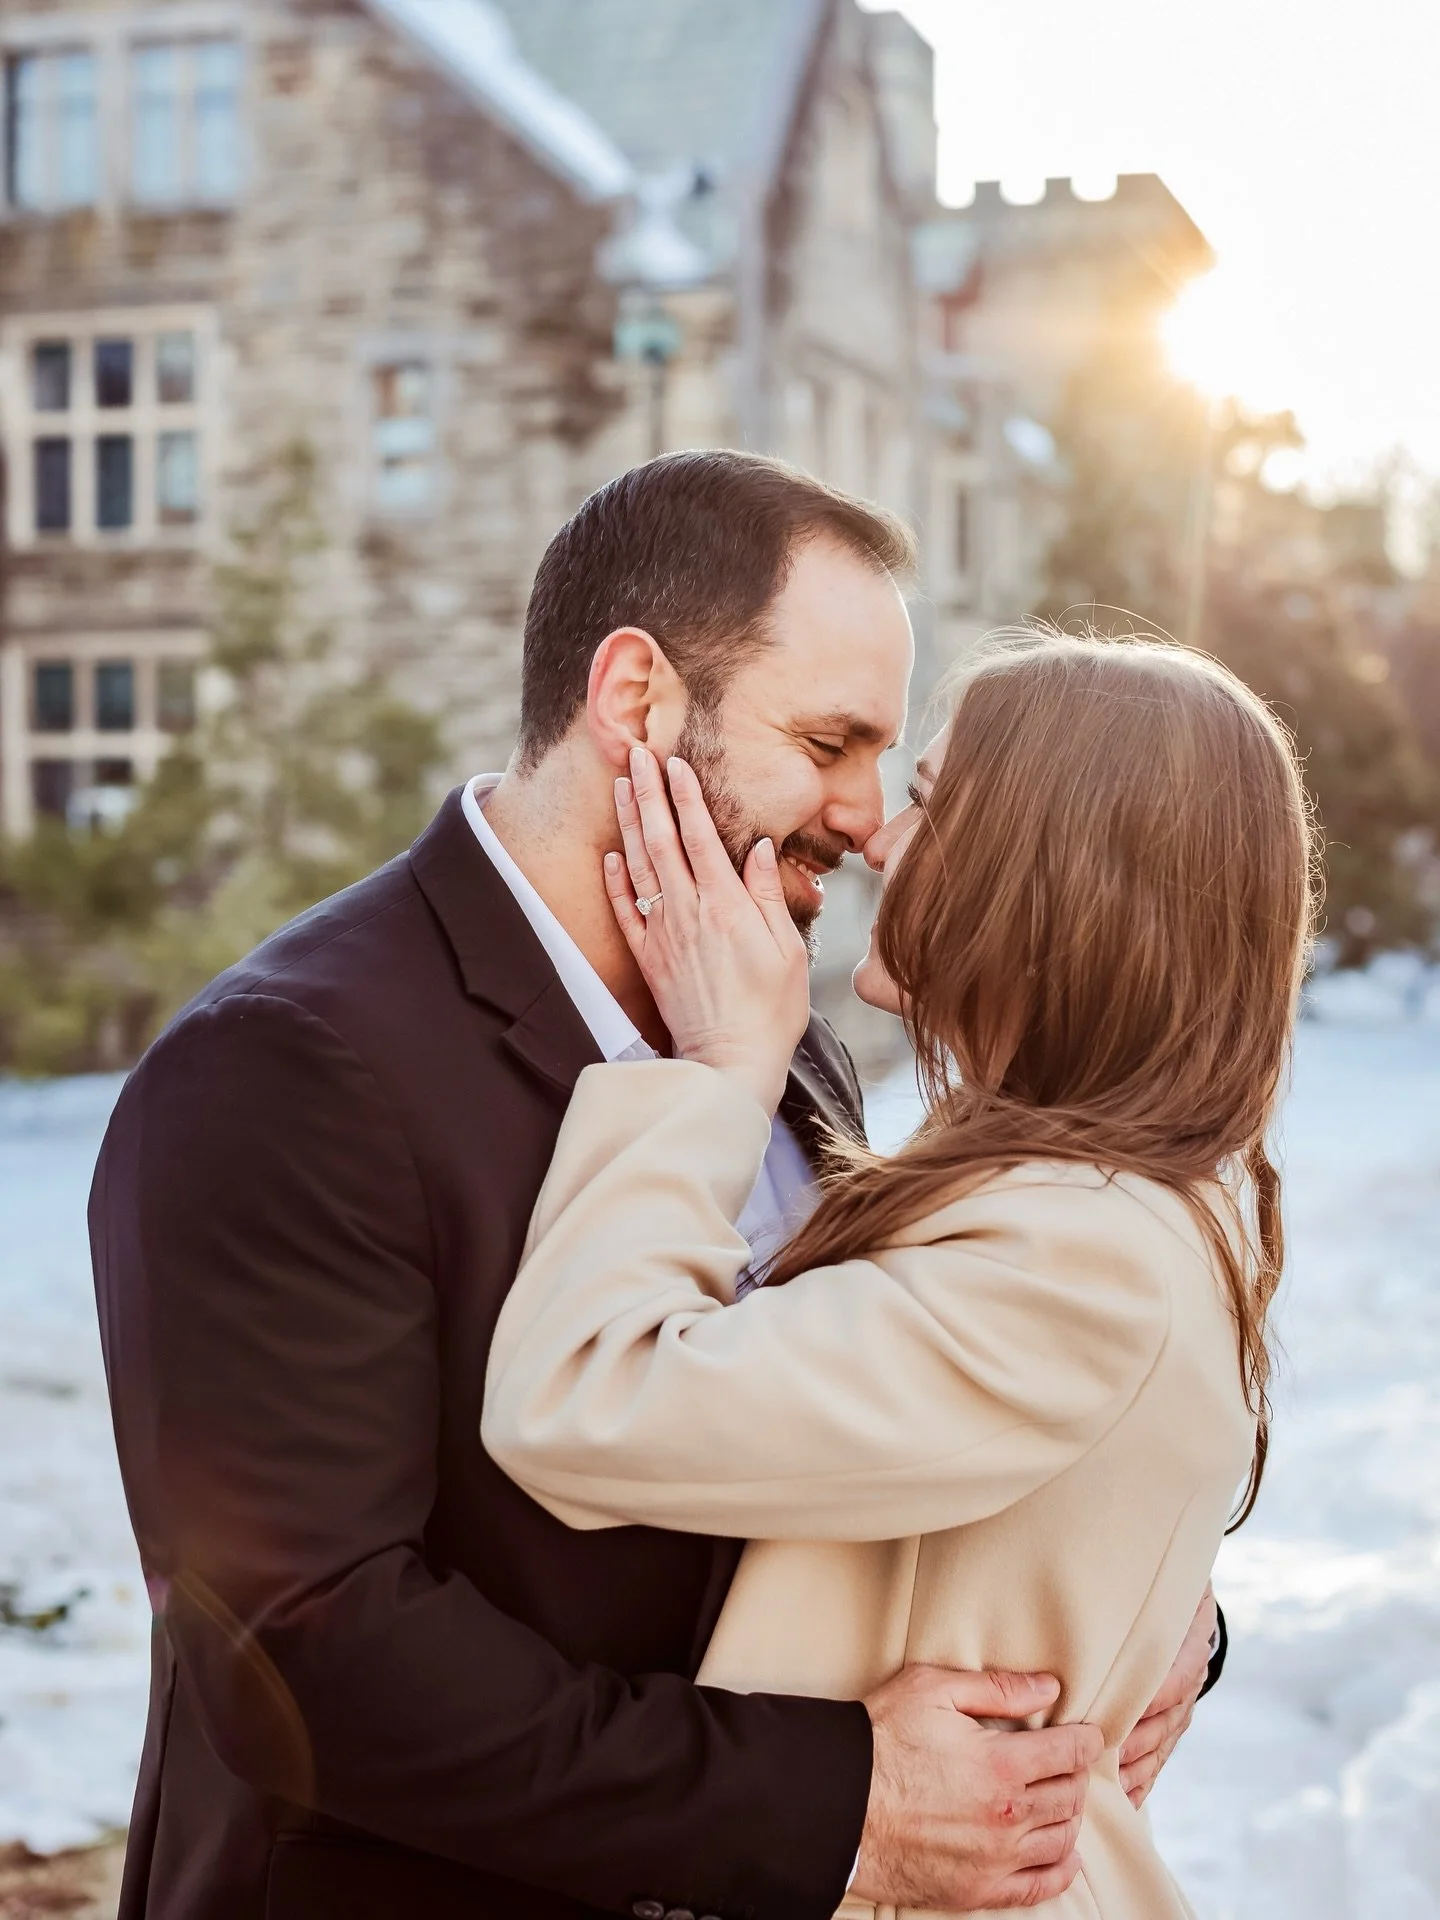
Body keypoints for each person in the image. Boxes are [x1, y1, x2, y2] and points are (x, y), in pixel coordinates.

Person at [92, 454, 1213, 1920]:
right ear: (638, 704)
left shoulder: (783, 1038)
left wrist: (1150, 1602)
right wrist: (836, 1801)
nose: (872, 819)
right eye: (829, 740)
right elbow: (305, 1643)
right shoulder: (287, 1067)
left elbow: (864, 1408)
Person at [483, 629, 1314, 1917]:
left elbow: (582, 1398)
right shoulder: (1089, 1198)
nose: (876, 834)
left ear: (1042, 875)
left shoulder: (1079, 1253)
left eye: (925, 798)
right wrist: (1163, 1620)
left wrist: (712, 1076)